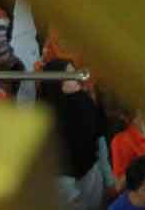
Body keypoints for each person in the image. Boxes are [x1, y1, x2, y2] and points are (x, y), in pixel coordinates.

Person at [42, 60, 109, 210]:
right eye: (70, 75)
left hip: (91, 173)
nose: (77, 77)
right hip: (64, 183)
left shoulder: (83, 100)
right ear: (56, 82)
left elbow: (99, 134)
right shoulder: (45, 118)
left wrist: (108, 178)